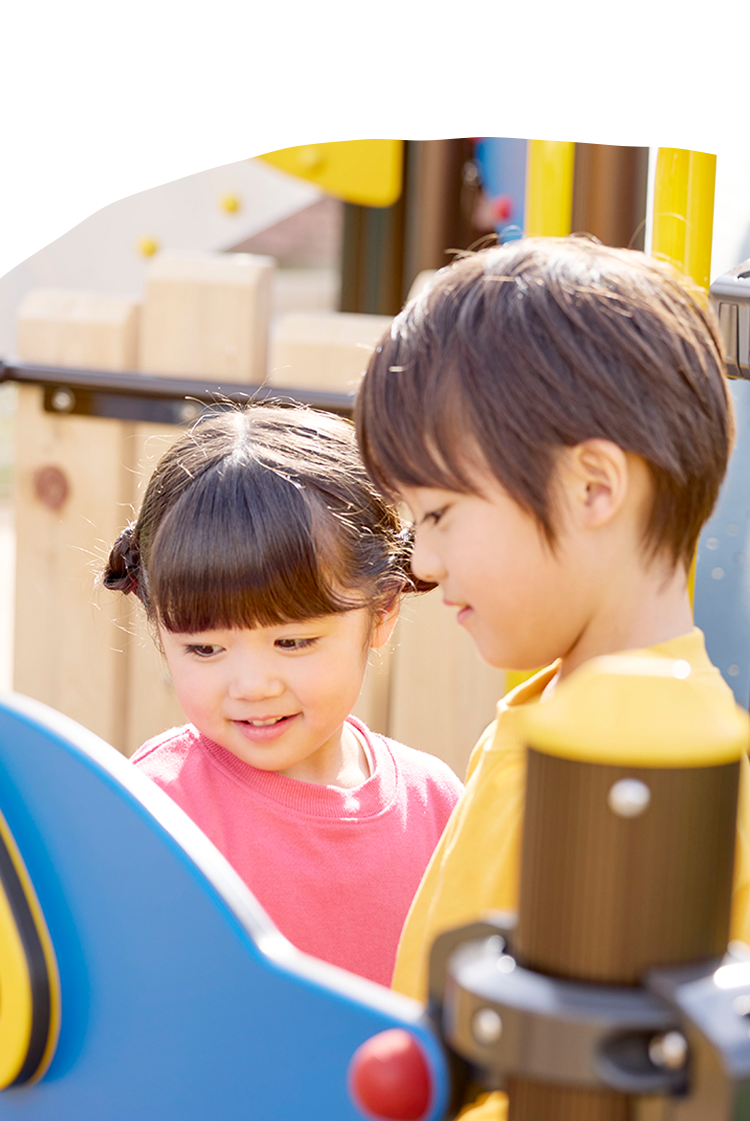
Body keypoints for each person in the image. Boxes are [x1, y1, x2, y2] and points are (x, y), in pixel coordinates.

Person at [355, 236, 747, 1117]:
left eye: (442, 513)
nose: (419, 561)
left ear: (594, 487)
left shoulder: (653, 765)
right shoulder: (554, 705)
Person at [102, 405, 463, 987]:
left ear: (382, 612)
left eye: (292, 641)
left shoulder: (436, 803)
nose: (252, 685)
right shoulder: (156, 809)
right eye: (204, 650)